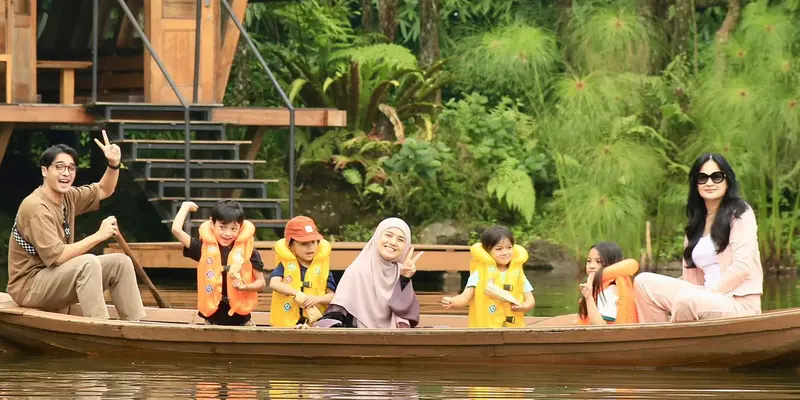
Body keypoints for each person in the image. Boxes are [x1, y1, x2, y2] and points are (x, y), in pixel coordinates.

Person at [6, 133, 145, 320]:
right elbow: (58, 257)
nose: (66, 173)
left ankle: (136, 327)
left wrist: (113, 164)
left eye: (71, 168)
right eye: (60, 167)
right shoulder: (35, 207)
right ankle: (101, 329)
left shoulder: (68, 197)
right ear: (44, 171)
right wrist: (98, 236)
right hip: (29, 286)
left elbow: (104, 189)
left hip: (54, 276)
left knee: (120, 263)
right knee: (88, 263)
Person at [634, 152, 763, 322]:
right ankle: (658, 342)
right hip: (701, 297)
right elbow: (689, 279)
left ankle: (674, 342)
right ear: (696, 184)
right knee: (643, 282)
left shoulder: (741, 214)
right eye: (702, 178)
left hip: (736, 302)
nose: (709, 182)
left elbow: (741, 267)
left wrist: (708, 294)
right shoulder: (696, 224)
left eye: (716, 177)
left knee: (687, 299)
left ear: (727, 181)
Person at [314, 217, 423, 328]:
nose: (393, 242)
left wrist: (404, 279)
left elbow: (407, 314)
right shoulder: (357, 271)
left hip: (394, 341)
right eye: (388, 235)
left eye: (401, 239)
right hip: (361, 340)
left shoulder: (401, 272)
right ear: (377, 237)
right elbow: (338, 313)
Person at [171, 200, 266, 326]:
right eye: (222, 227)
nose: (227, 233)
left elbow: (261, 283)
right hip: (212, 318)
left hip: (241, 318)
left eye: (233, 229)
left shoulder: (249, 251)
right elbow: (176, 230)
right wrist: (185, 207)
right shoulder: (203, 248)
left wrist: (245, 287)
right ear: (212, 223)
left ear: (240, 227)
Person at [441, 226, 535, 328]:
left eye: (509, 247)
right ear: (487, 252)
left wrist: (523, 307)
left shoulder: (517, 273)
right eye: (499, 249)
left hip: (513, 329)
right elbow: (464, 298)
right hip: (486, 329)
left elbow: (530, 300)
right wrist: (453, 302)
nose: (505, 252)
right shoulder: (479, 274)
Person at [269, 216, 337, 327]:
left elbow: (331, 296)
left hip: (314, 326)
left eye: (313, 242)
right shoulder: (285, 265)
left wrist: (316, 299)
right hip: (287, 326)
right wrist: (297, 293)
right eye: (303, 244)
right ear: (290, 245)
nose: (310, 248)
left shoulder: (322, 268)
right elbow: (274, 283)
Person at [578, 242, 639, 325]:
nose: (591, 266)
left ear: (612, 264)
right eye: (589, 261)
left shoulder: (610, 291)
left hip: (613, 336)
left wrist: (588, 297)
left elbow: (601, 328)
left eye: (598, 261)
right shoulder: (600, 286)